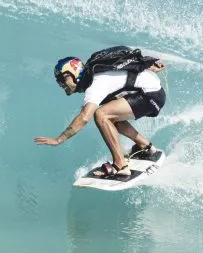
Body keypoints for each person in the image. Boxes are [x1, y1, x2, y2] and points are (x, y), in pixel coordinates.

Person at [34, 48, 167, 179]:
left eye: (63, 79)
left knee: (101, 114)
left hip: (151, 95)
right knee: (110, 116)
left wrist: (59, 140)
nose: (62, 84)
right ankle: (146, 147)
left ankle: (120, 165)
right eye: (59, 81)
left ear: (75, 73)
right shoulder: (94, 73)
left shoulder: (94, 84)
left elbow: (84, 118)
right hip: (152, 92)